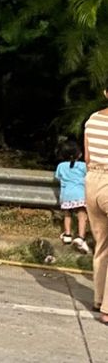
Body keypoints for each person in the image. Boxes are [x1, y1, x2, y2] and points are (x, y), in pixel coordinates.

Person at [85, 88, 108, 323]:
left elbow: (88, 158)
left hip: (92, 181)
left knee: (101, 244)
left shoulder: (92, 120)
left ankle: (99, 298)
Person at [55, 139, 89, 253]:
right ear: (79, 154)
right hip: (80, 194)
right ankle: (80, 237)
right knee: (82, 216)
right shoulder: (83, 166)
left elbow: (58, 177)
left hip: (66, 195)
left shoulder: (61, 166)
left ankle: (68, 235)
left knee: (67, 215)